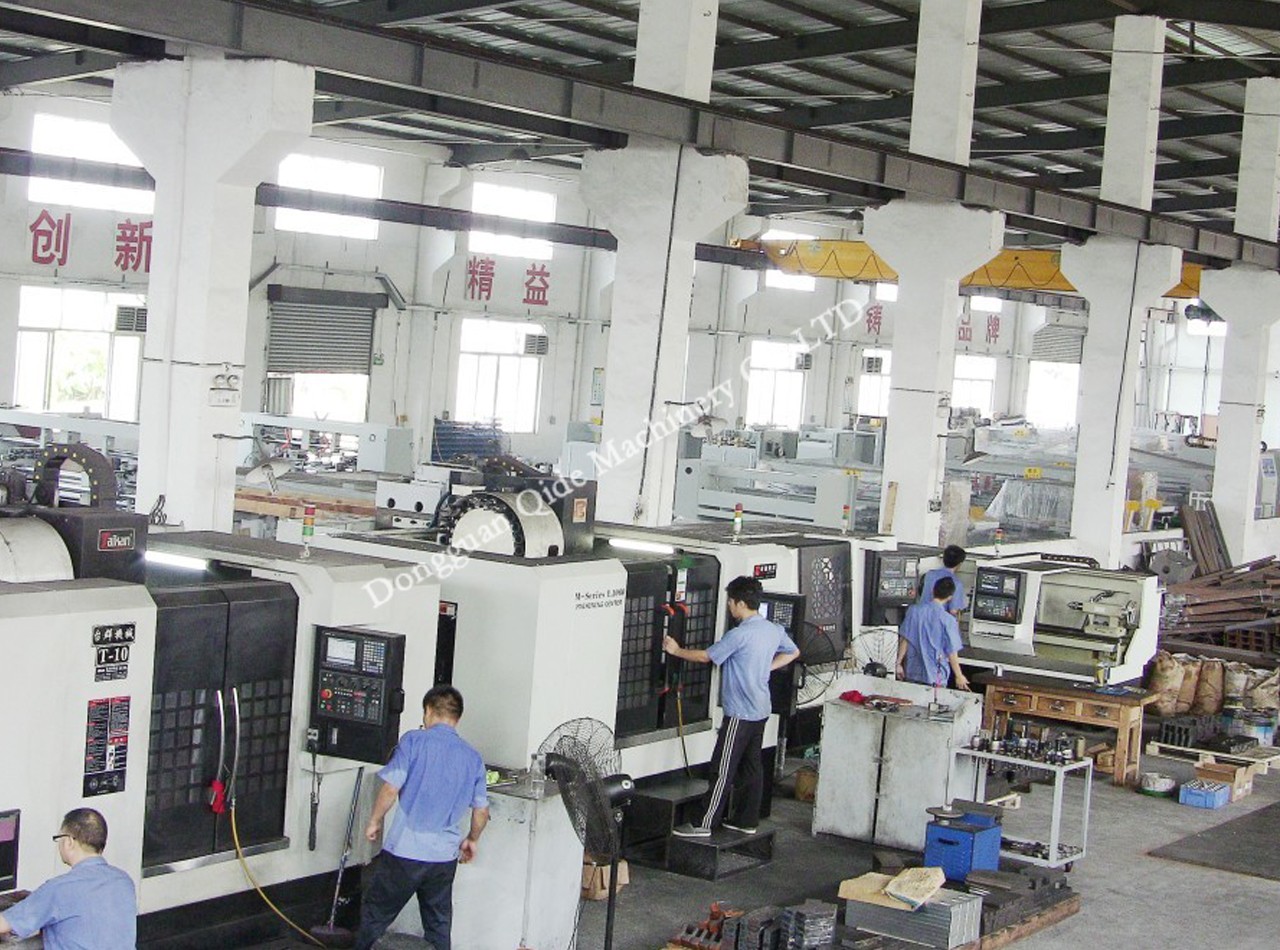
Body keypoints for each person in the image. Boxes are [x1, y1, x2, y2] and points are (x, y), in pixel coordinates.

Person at [664, 576, 800, 838]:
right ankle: (745, 820)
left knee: (722, 768)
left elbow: (706, 656)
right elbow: (793, 652)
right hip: (761, 709)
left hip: (740, 713)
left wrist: (676, 650)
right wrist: (767, 668)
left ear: (740, 603)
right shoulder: (772, 630)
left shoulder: (739, 635)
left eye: (730, 601)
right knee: (752, 767)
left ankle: (703, 823)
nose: (728, 606)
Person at [355, 686, 489, 950]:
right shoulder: (473, 758)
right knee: (438, 926)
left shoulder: (413, 741)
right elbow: (481, 811)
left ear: (428, 711)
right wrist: (472, 839)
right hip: (443, 858)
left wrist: (375, 820)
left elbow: (391, 788)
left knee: (375, 917)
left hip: (404, 852)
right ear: (457, 718)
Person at [0, 808, 136, 950]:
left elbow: (3, 924)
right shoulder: (124, 881)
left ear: (69, 842)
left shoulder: (59, 889)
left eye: (59, 839)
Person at [898, 576, 970, 692]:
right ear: (950, 597)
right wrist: (959, 675)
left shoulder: (914, 611)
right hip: (936, 676)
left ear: (932, 591)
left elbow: (905, 639)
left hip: (913, 672)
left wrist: (898, 663)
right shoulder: (948, 620)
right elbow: (952, 652)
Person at [919, 545, 968, 617]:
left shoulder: (929, 575)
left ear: (943, 559)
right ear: (959, 564)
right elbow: (953, 611)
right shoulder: (956, 583)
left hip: (921, 617)